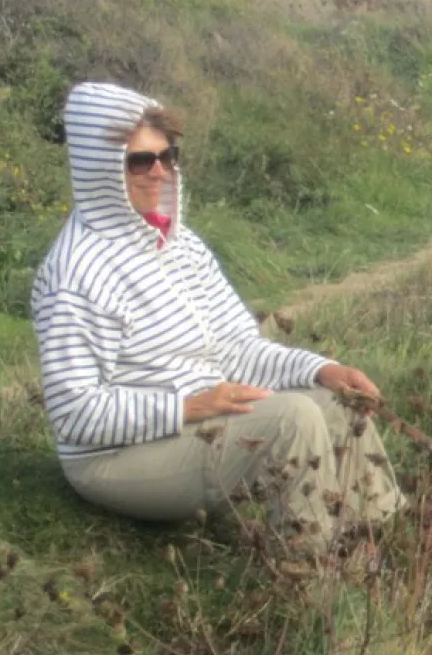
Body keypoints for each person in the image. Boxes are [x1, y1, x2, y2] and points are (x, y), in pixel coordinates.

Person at [30, 81, 406, 564]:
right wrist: (187, 407)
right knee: (292, 419)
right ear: (98, 169)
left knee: (336, 403)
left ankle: (379, 541)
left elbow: (237, 348)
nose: (159, 172)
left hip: (198, 420)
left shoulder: (180, 246)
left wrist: (322, 369)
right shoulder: (76, 274)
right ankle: (313, 573)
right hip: (113, 458)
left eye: (167, 156)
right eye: (139, 161)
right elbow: (74, 413)